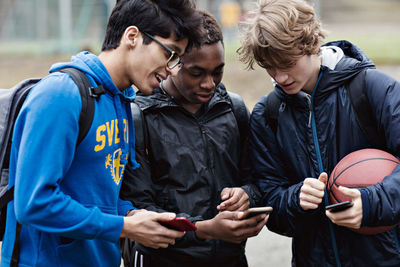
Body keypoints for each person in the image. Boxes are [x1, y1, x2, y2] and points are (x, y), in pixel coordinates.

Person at [0, 0, 203, 266]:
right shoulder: (60, 95)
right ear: (132, 36)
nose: (171, 70)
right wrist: (123, 227)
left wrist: (134, 216)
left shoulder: (121, 102)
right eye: (170, 54)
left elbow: (97, 198)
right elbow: (34, 203)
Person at [237, 0, 400, 266]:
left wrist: (371, 203)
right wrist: (295, 199)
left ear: (313, 43)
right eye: (269, 67)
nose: (279, 77)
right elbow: (272, 205)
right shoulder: (268, 113)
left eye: (287, 63)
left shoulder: (373, 89)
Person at [120, 10, 267, 267]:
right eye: (197, 73)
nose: (209, 84)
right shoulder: (137, 116)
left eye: (217, 72)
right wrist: (203, 229)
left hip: (229, 259)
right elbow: (137, 210)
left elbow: (257, 181)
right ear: (172, 63)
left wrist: (246, 196)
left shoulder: (234, 109)